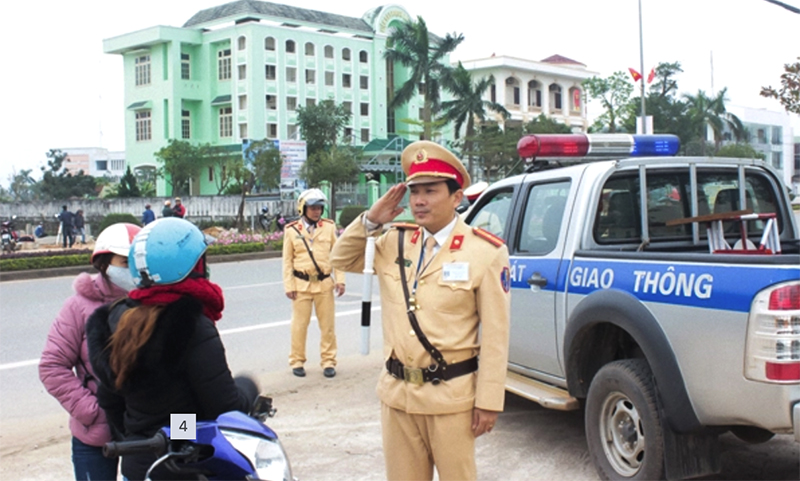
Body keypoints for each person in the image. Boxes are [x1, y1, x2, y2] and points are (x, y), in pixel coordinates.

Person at [330, 141, 511, 481]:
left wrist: (489, 401)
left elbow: (497, 336)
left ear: (456, 197)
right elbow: (340, 259)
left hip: (451, 399)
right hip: (398, 396)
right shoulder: (394, 241)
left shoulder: (484, 252)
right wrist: (370, 221)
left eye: (430, 190)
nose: (419, 201)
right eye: (414, 191)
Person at [86, 218, 258, 481]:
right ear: (189, 268)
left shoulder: (117, 320)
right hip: (185, 464)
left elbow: (111, 401)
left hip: (136, 466)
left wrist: (141, 436)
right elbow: (222, 408)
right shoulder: (189, 324)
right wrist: (247, 387)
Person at [39, 222, 142, 481]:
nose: (132, 268)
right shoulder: (78, 307)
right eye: (124, 261)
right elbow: (52, 366)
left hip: (146, 432)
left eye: (136, 260)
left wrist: (181, 431)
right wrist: (93, 412)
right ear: (104, 263)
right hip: (96, 435)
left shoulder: (154, 306)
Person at [283, 188, 345, 378]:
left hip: (324, 283)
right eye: (312, 208)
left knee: (327, 326)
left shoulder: (328, 227)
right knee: (299, 326)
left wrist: (340, 280)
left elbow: (338, 255)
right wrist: (289, 285)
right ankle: (297, 361)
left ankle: (328, 361)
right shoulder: (292, 230)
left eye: (319, 208)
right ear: (303, 208)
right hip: (301, 284)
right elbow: (287, 260)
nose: (317, 211)